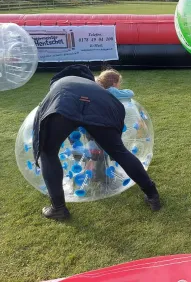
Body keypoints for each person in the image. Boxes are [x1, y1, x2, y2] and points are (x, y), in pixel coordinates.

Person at [32, 64, 161, 220]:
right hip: (103, 105)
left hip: (65, 102)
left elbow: (45, 118)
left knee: (48, 152)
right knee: (119, 152)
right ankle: (152, 195)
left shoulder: (60, 84)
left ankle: (58, 208)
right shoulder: (93, 86)